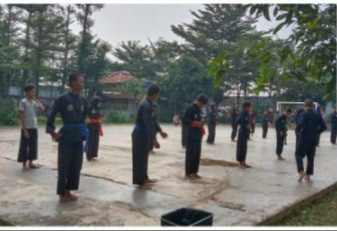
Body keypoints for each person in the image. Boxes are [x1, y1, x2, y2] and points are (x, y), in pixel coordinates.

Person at [46, 73, 88, 202]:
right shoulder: (62, 99)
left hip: (78, 136)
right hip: (66, 136)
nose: (83, 84)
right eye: (81, 81)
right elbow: (51, 116)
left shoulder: (83, 100)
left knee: (76, 165)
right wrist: (52, 132)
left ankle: (69, 191)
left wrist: (85, 129)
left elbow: (85, 116)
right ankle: (61, 193)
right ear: (73, 82)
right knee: (64, 164)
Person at [132, 84, 168, 189]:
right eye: (157, 95)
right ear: (155, 94)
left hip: (144, 134)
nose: (157, 97)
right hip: (140, 134)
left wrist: (160, 131)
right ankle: (139, 180)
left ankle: (144, 177)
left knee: (144, 157)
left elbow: (153, 121)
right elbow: (148, 124)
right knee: (139, 157)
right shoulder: (146, 105)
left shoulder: (150, 104)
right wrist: (154, 140)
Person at [295, 99, 326, 182]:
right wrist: (316, 132)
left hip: (304, 137)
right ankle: (308, 175)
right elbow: (324, 127)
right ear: (312, 106)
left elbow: (299, 125)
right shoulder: (317, 114)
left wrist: (298, 132)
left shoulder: (304, 114)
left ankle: (301, 171)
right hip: (313, 138)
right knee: (310, 157)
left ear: (305, 105)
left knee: (298, 154)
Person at [18, 84, 45, 169]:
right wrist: (24, 129)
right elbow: (21, 116)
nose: (34, 92)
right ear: (28, 92)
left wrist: (36, 100)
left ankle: (31, 163)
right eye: (33, 91)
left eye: (34, 91)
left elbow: (42, 109)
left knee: (33, 145)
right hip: (26, 127)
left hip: (34, 126)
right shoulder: (23, 102)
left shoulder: (34, 102)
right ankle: (24, 163)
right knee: (25, 145)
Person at [183, 94, 208, 179]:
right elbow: (184, 120)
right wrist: (194, 123)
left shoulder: (199, 110)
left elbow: (199, 119)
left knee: (197, 154)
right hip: (191, 135)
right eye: (201, 104)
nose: (202, 106)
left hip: (198, 135)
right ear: (198, 101)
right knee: (190, 154)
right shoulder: (190, 108)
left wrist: (201, 121)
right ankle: (188, 173)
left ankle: (194, 172)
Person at [86, 96, 104, 161]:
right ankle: (89, 156)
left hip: (97, 125)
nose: (100, 103)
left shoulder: (98, 108)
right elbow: (87, 115)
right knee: (91, 140)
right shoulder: (90, 107)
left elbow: (98, 115)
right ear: (95, 102)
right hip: (91, 125)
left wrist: (101, 116)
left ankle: (93, 155)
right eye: (99, 102)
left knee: (96, 140)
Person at [236, 102, 252, 168]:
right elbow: (238, 120)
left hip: (245, 132)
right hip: (242, 132)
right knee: (241, 147)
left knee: (244, 147)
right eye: (249, 107)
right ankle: (241, 161)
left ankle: (243, 161)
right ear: (246, 107)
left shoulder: (247, 113)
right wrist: (245, 126)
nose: (250, 108)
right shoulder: (242, 113)